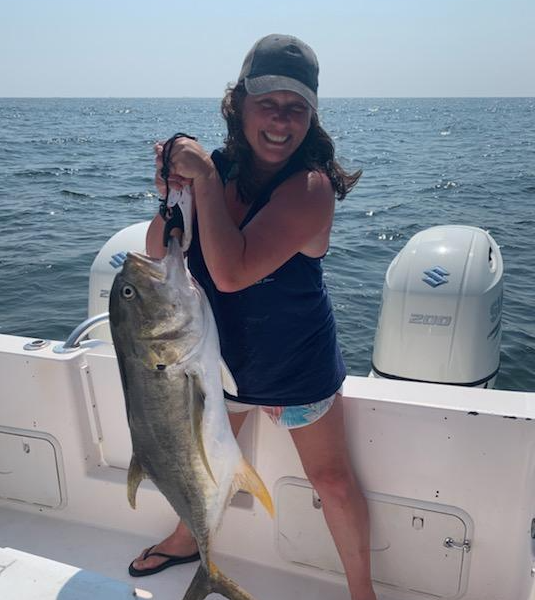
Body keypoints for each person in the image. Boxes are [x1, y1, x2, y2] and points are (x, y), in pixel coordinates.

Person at [133, 33, 376, 600]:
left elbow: (233, 273)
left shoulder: (312, 189)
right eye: (267, 102)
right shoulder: (213, 170)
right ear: (238, 104)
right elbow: (157, 250)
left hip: (294, 363)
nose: (280, 120)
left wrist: (206, 183)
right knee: (210, 462)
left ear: (312, 116)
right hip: (217, 359)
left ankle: (363, 592)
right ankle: (188, 536)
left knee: (333, 482)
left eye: (296, 107)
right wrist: (174, 192)